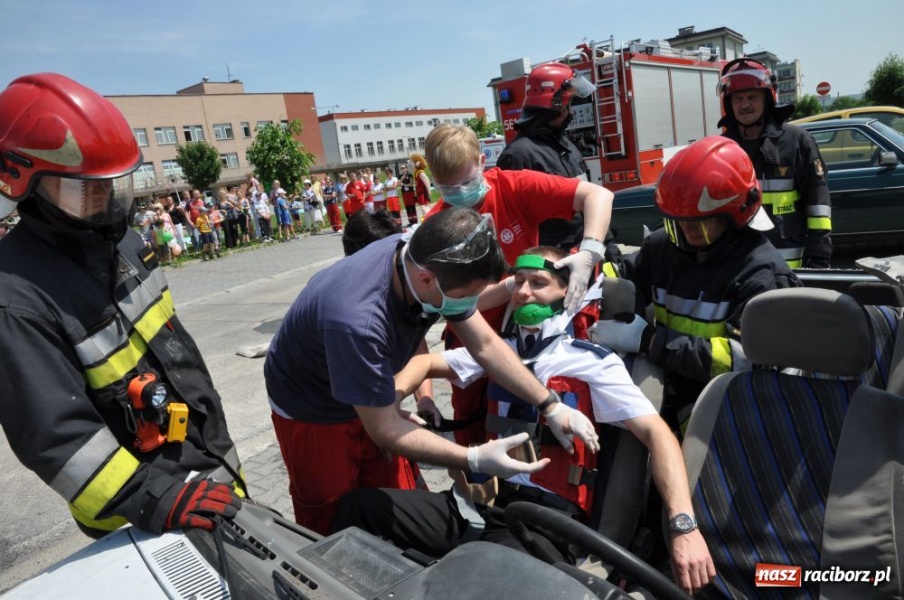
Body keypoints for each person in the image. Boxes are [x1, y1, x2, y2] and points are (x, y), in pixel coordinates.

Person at [335, 246, 716, 596]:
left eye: (538, 283)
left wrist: (684, 526)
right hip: (476, 507)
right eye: (517, 282)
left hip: (541, 525)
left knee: (474, 583)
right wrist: (397, 401)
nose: (523, 292)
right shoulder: (499, 352)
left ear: (568, 294)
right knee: (358, 508)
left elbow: (658, 435)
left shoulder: (591, 361)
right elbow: (424, 362)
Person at [0, 73, 244, 539]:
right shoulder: (14, 295)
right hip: (137, 518)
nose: (102, 197)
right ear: (22, 181)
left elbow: (176, 358)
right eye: (81, 186)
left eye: (110, 183)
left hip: (206, 469)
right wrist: (153, 497)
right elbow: (56, 436)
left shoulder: (125, 244)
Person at [263, 208, 600, 535]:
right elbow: (384, 429)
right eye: (467, 297)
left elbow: (484, 345)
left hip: (363, 377)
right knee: (329, 505)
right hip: (312, 407)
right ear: (427, 279)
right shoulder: (358, 321)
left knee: (394, 496)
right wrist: (473, 457)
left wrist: (549, 405)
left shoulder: (422, 251)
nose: (470, 306)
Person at [588, 136, 801, 433]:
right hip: (672, 393)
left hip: (730, 414)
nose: (687, 231)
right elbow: (624, 273)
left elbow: (747, 361)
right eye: (678, 221)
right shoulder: (667, 246)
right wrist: (579, 274)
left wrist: (649, 341)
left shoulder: (763, 275)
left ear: (737, 215)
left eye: (700, 223)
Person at [424, 123, 615, 446]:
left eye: (468, 182)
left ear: (482, 161)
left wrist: (590, 250)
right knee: (471, 438)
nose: (460, 194)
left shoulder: (512, 188)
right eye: (448, 188)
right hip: (471, 344)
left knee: (542, 425)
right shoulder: (434, 226)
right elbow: (448, 306)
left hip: (531, 335)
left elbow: (597, 195)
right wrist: (509, 287)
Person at [717, 57, 832, 268]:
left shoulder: (798, 141)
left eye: (752, 97)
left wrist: (819, 255)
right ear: (729, 104)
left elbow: (818, 204)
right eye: (738, 99)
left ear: (767, 99)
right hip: (736, 263)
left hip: (787, 262)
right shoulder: (720, 149)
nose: (745, 105)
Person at [496, 62, 595, 251]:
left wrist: (604, 244)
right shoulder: (518, 156)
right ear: (555, 105)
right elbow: (511, 225)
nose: (571, 112)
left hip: (583, 253)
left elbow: (587, 201)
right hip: (551, 264)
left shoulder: (567, 147)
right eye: (568, 104)